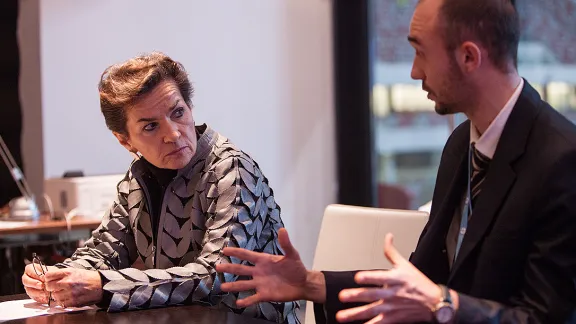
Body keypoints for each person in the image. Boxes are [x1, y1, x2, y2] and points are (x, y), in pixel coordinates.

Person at [216, 0, 576, 323]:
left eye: (420, 53)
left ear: (469, 57)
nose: (414, 72)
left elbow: (547, 316)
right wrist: (311, 283)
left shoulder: (561, 160)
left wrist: (444, 304)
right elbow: (423, 277)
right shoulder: (459, 145)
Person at [20, 52, 299, 323]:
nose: (173, 133)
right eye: (151, 126)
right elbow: (103, 253)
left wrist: (104, 285)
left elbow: (215, 277)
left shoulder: (232, 169)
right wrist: (56, 278)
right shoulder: (138, 177)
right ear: (125, 141)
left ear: (190, 109)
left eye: (178, 112)